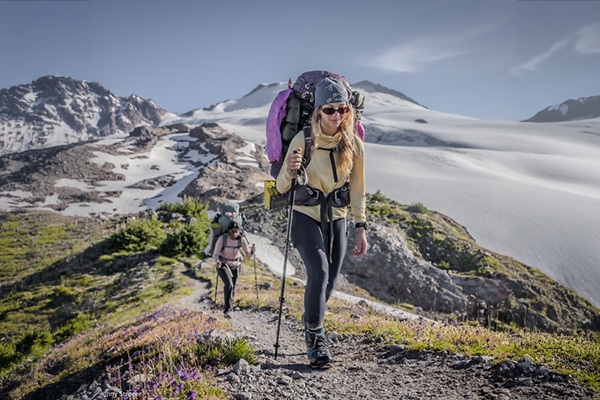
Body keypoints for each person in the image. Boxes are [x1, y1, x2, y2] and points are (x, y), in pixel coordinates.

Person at [276, 77, 368, 369]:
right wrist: (289, 171)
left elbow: (357, 189)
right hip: (306, 215)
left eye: (342, 109)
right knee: (319, 271)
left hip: (338, 217)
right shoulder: (303, 139)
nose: (337, 115)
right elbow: (280, 188)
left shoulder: (354, 145)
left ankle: (310, 318)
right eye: (330, 110)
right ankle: (316, 340)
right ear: (317, 111)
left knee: (328, 282)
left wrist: (361, 227)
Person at [212, 221, 256, 317]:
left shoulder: (241, 240)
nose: (235, 234)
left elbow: (247, 255)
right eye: (233, 232)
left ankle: (230, 307)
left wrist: (252, 251)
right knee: (229, 284)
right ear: (228, 230)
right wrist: (217, 262)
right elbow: (215, 254)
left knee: (232, 287)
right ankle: (227, 309)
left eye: (237, 232)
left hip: (236, 265)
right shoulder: (222, 239)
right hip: (223, 264)